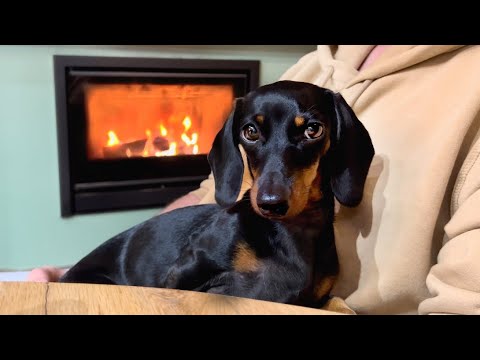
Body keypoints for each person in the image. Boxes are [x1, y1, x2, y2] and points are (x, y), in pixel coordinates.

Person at [28, 45, 480, 315]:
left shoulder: (468, 85)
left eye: (310, 132)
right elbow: (212, 197)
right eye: (253, 135)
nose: (269, 189)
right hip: (113, 282)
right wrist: (73, 275)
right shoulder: (309, 69)